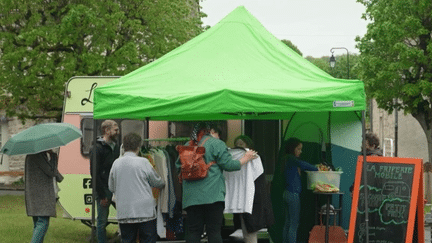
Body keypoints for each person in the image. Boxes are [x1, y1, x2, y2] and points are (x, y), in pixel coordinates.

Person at [176, 122, 257, 243]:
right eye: (218, 134)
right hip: (213, 196)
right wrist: (246, 158)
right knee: (214, 232)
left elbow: (178, 167)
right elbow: (229, 165)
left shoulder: (187, 145)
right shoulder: (217, 143)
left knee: (193, 232)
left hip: (191, 198)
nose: (219, 137)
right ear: (212, 131)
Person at [108, 133, 165, 243]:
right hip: (144, 211)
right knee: (148, 239)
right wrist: (163, 183)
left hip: (125, 211)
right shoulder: (143, 162)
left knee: (127, 240)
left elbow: (111, 187)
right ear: (138, 146)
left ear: (124, 146)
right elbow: (156, 182)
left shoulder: (116, 163)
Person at [225, 135, 274, 243]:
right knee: (245, 231)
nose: (238, 146)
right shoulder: (235, 160)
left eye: (241, 144)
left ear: (248, 145)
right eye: (237, 144)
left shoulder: (255, 159)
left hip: (252, 200)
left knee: (250, 230)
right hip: (241, 200)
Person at [282, 138, 318, 243]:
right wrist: (317, 168)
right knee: (294, 224)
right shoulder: (291, 159)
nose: (300, 151)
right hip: (293, 194)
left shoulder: (286, 159)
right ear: (292, 148)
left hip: (286, 193)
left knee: (288, 223)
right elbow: (303, 165)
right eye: (298, 149)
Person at [90, 119, 120, 243]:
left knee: (125, 215)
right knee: (102, 221)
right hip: (104, 188)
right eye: (115, 129)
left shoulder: (116, 146)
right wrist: (102, 195)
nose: (118, 132)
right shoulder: (97, 148)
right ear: (106, 130)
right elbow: (94, 173)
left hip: (116, 188)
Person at [25, 149, 64, 243]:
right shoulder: (37, 155)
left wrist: (59, 177)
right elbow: (50, 171)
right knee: (43, 223)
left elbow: (51, 171)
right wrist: (54, 157)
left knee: (38, 225)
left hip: (36, 196)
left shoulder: (35, 155)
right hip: (41, 196)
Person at [350, 132, 383, 197]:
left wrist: (354, 189)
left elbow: (364, 176)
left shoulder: (373, 158)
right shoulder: (365, 157)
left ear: (373, 146)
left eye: (365, 145)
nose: (362, 146)